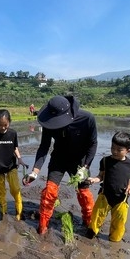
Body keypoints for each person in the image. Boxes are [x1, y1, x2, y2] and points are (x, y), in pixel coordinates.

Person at [22, 95, 97, 235]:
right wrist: (35, 171)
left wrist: (85, 167)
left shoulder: (87, 119)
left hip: (79, 162)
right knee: (49, 192)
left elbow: (93, 144)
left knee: (84, 193)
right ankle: (42, 227)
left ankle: (90, 224)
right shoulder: (50, 121)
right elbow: (44, 146)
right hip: (59, 159)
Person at [86, 131, 130, 242]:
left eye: (119, 150)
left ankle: (114, 241)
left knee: (119, 224)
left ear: (128, 151)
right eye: (113, 148)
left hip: (122, 199)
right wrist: (94, 179)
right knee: (96, 218)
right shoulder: (105, 161)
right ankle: (89, 236)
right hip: (105, 197)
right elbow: (101, 176)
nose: (115, 152)